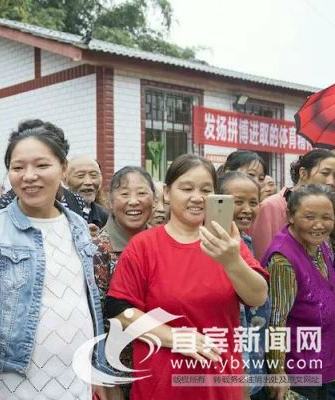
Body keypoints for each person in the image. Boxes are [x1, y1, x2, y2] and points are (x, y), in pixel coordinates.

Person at [0, 120, 110, 400]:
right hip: (15, 382)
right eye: (18, 167)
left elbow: (87, 303)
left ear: (63, 169)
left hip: (75, 380)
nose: (29, 176)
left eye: (41, 165)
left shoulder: (78, 227)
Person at [105, 154, 269, 400]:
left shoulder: (227, 242)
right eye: (186, 188)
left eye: (206, 189)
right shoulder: (144, 246)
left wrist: (232, 261)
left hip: (220, 384)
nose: (197, 197)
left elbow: (258, 296)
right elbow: (120, 311)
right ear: (167, 193)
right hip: (161, 385)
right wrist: (175, 338)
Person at [262, 184, 335, 400]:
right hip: (300, 371)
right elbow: (276, 320)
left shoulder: (321, 244)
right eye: (309, 217)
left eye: (327, 217)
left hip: (326, 361)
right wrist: (277, 373)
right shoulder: (282, 259)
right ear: (290, 216)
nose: (319, 225)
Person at [92, 166, 155, 400]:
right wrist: (101, 375)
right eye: (124, 194)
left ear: (155, 199)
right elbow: (94, 319)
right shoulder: (97, 250)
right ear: (109, 201)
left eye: (141, 193)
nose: (133, 202)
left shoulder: (162, 244)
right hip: (116, 373)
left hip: (158, 365)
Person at [218, 171, 270, 400]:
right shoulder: (213, 246)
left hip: (254, 366)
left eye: (253, 202)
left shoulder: (245, 241)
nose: (247, 209)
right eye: (238, 202)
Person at [249, 149, 335, 261]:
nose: (331, 182)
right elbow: (262, 258)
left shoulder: (329, 205)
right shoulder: (271, 206)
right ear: (303, 173)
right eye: (325, 173)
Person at [65, 155, 109, 229]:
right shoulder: (56, 210)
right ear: (65, 179)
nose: (88, 182)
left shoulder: (103, 215)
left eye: (94, 176)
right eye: (80, 176)